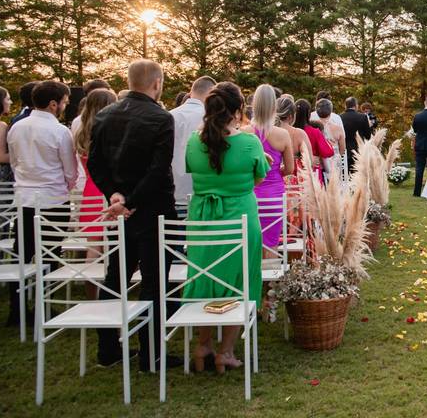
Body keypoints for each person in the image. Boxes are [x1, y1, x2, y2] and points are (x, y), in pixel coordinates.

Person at [88, 60, 179, 370]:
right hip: (153, 209)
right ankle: (151, 353)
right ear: (156, 84)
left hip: (120, 210)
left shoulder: (103, 115)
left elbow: (96, 164)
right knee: (154, 281)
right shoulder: (160, 118)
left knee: (116, 275)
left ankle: (108, 347)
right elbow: (158, 169)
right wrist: (130, 200)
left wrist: (114, 195)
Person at [184, 82, 267, 373]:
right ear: (236, 110)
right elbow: (258, 179)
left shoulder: (194, 142)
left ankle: (202, 344)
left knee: (204, 277)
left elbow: (195, 172)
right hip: (240, 216)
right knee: (241, 280)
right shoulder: (249, 142)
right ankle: (226, 351)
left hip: (203, 218)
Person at [6, 80, 77, 327]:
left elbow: (14, 163)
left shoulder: (16, 127)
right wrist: (66, 185)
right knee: (50, 255)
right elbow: (70, 170)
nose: (65, 107)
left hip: (24, 197)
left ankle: (17, 309)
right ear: (53, 104)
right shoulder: (59, 131)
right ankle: (42, 306)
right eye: (65, 102)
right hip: (53, 199)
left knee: (22, 254)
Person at [72, 88, 118, 289]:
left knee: (94, 245)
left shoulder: (81, 130)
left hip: (90, 189)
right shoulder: (110, 129)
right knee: (117, 244)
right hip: (109, 188)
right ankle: (117, 288)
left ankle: (92, 294)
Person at [242, 85, 294, 250]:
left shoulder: (243, 133)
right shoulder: (283, 135)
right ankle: (271, 276)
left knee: (250, 246)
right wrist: (273, 172)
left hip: (250, 197)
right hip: (274, 197)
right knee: (271, 245)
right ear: (274, 106)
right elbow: (290, 169)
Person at [169, 76, 216, 203]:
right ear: (211, 94)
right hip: (202, 192)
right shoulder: (211, 118)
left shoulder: (170, 115)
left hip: (174, 189)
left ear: (191, 93)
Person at [340, 96, 372, 173]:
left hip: (344, 151)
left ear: (345, 106)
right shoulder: (363, 117)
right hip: (359, 150)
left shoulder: (339, 117)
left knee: (346, 175)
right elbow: (368, 136)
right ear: (356, 105)